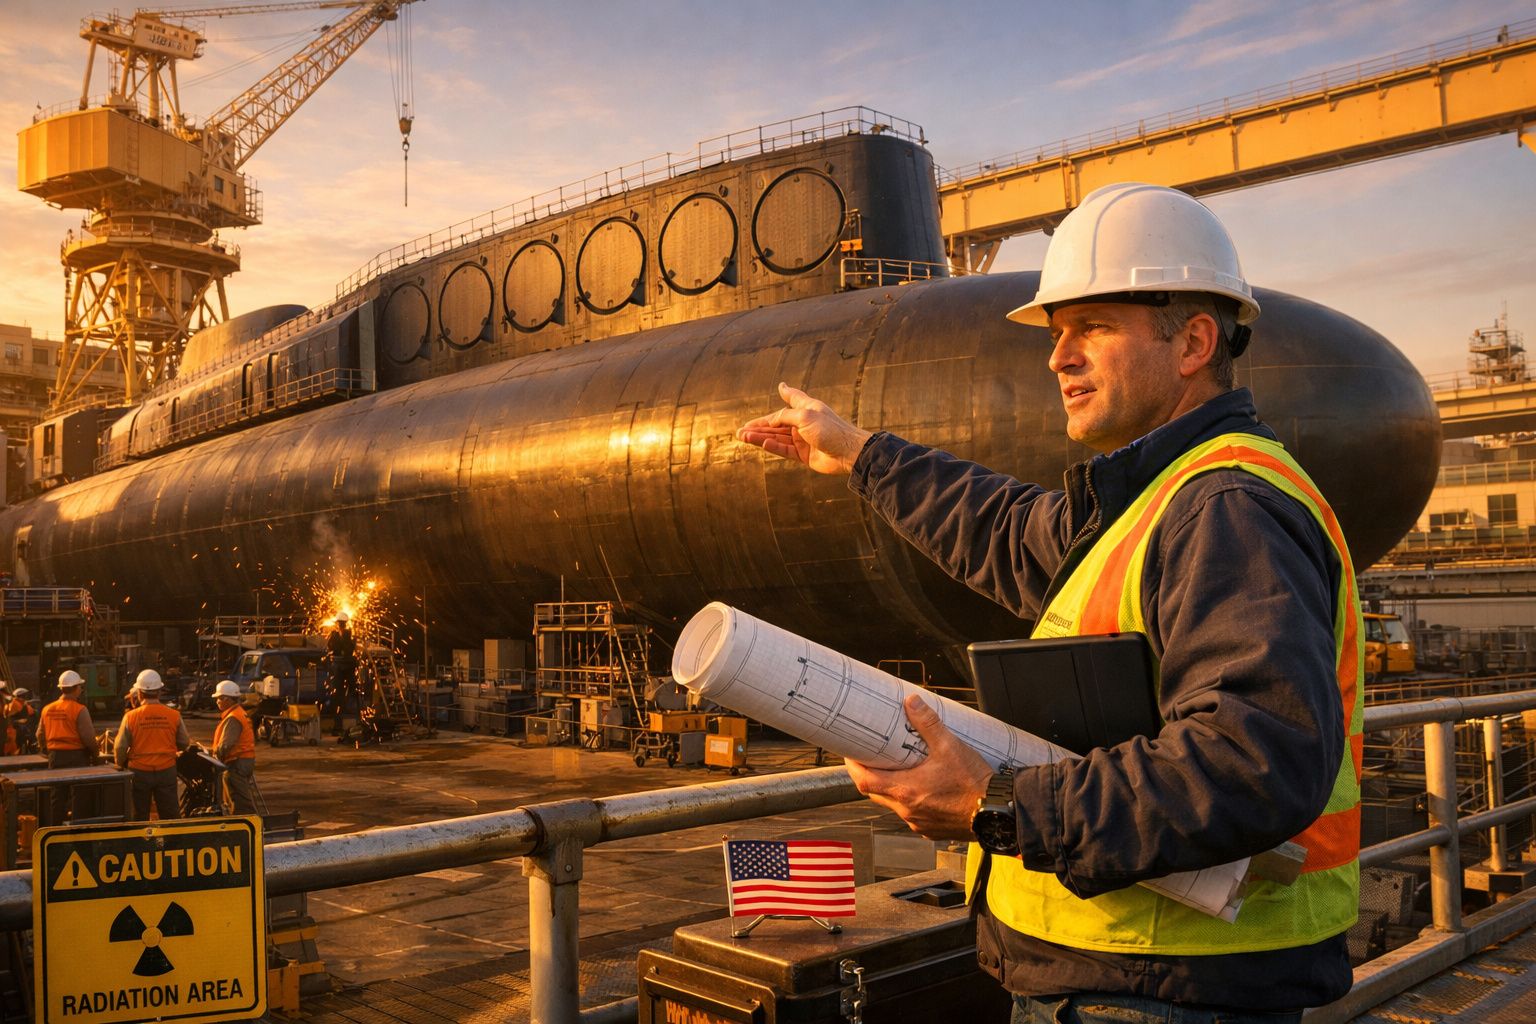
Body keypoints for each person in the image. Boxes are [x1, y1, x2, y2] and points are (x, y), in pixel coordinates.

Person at [736, 182, 1362, 1022]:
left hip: (1164, 989)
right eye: (1058, 333)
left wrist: (994, 804)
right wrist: (859, 454)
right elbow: (1003, 528)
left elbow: (1254, 761)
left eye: (1092, 327)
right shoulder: (1157, 500)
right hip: (1128, 979)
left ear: (1194, 343)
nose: (1057, 357)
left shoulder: (1225, 508)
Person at [114, 669, 191, 821]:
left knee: (139, 816)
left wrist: (120, 764)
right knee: (170, 816)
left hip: (139, 771)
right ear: (160, 692)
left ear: (140, 694)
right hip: (166, 770)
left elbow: (120, 747)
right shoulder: (173, 715)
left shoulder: (131, 716)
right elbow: (184, 742)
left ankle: (141, 843)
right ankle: (171, 842)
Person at [36, 671, 100, 824]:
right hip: (77, 757)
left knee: (57, 796)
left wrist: (47, 750)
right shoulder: (79, 709)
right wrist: (95, 754)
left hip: (55, 757)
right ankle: (76, 832)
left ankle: (54, 833)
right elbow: (88, 738)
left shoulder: (47, 709)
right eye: (80, 687)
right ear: (76, 688)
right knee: (79, 796)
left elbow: (39, 734)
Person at [212, 680, 259, 815]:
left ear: (228, 699)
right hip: (243, 761)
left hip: (237, 763)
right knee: (239, 797)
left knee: (240, 801)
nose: (217, 702)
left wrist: (215, 757)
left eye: (219, 698)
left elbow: (226, 744)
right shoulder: (239, 713)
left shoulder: (233, 718)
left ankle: (249, 826)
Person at [324, 613, 359, 735]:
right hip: (347, 666)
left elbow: (331, 648)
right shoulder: (348, 634)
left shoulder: (340, 635)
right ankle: (356, 724)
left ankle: (340, 727)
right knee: (352, 694)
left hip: (341, 667)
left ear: (338, 623)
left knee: (339, 696)